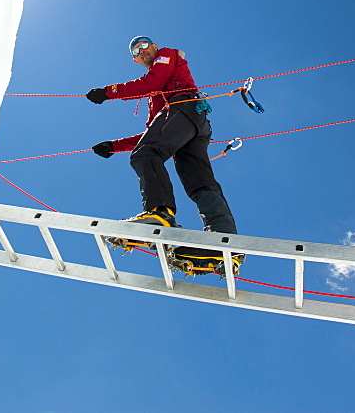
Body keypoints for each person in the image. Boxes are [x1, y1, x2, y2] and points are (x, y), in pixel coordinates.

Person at [86, 36, 241, 275]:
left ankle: (160, 213)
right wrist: (113, 145)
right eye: (136, 51)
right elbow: (152, 133)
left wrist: (108, 92)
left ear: (155, 46)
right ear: (135, 60)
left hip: (185, 107)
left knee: (145, 154)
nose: (141, 51)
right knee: (198, 182)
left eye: (144, 45)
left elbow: (152, 82)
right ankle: (223, 239)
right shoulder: (155, 98)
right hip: (191, 122)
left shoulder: (166, 55)